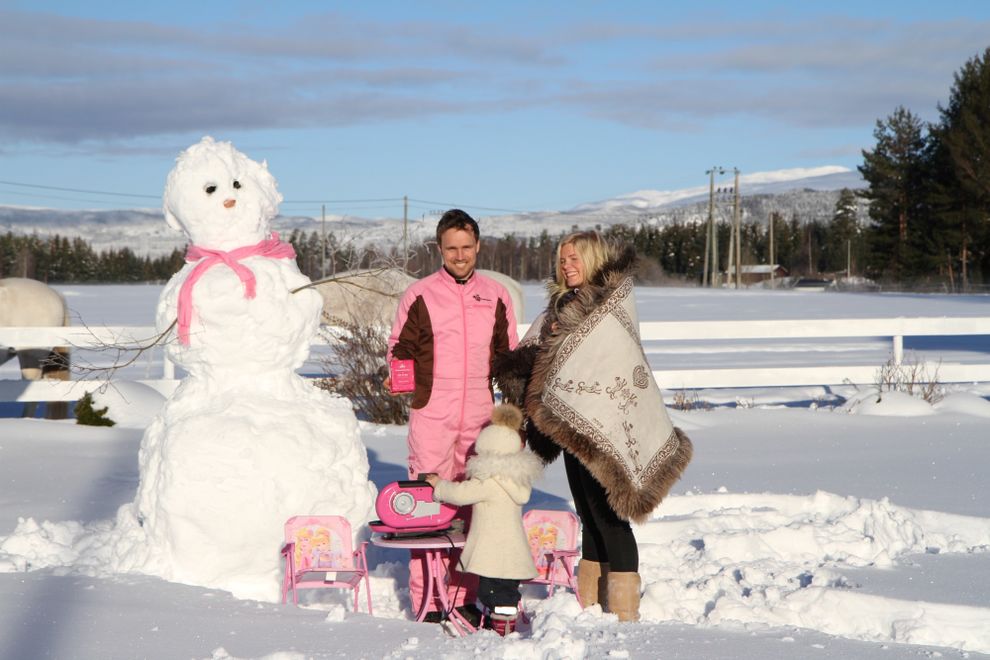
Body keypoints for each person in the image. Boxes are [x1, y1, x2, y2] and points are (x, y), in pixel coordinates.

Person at [494, 230, 693, 622]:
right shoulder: (559, 307)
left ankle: (623, 609)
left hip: (608, 423)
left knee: (610, 517)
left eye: (575, 258)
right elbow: (539, 354)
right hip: (570, 424)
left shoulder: (608, 304)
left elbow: (610, 361)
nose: (567, 265)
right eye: (562, 259)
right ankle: (592, 603)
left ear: (594, 258)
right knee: (588, 512)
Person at [386, 208, 519, 622]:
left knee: (473, 504)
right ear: (439, 249)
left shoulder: (496, 295)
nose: (459, 256)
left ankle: (464, 595)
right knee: (428, 502)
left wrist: (512, 415)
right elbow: (398, 349)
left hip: (479, 413)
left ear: (477, 246)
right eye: (451, 249)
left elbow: (507, 357)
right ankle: (429, 599)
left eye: (466, 247)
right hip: (433, 411)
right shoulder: (420, 294)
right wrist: (411, 391)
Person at [424, 403, 542, 636]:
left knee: (491, 590)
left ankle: (502, 628)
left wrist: (439, 485)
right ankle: (504, 622)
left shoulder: (488, 480)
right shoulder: (517, 479)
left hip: (491, 551)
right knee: (506, 589)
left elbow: (460, 494)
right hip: (512, 550)